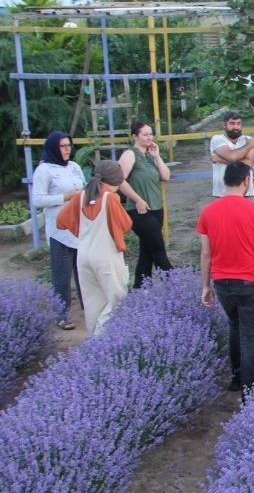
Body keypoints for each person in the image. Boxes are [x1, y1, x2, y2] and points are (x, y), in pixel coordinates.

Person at [198, 161, 254, 401]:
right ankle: (249, 391)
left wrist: (205, 286)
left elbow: (205, 253)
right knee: (249, 335)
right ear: (246, 180)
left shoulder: (208, 211)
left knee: (235, 325)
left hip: (222, 283)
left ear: (225, 181)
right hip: (249, 283)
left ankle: (236, 378)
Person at [55, 160, 133, 335]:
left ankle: (92, 341)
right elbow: (126, 225)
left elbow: (60, 221)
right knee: (117, 300)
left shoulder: (81, 196)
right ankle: (101, 336)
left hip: (84, 255)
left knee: (93, 303)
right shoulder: (110, 198)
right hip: (106, 256)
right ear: (115, 181)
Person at [31, 131, 86, 330]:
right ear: (54, 147)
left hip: (79, 226)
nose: (66, 149)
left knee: (83, 271)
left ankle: (88, 307)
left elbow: (83, 187)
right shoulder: (44, 170)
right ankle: (62, 314)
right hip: (59, 230)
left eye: (68, 145)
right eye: (62, 146)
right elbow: (37, 199)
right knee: (61, 275)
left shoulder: (74, 167)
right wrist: (64, 197)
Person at [118, 121, 173, 289]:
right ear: (135, 136)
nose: (149, 137)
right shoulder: (130, 154)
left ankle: (140, 290)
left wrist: (156, 156)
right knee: (158, 250)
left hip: (156, 208)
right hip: (139, 211)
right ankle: (176, 286)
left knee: (146, 253)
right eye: (145, 134)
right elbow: (119, 180)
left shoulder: (150, 155)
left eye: (151, 134)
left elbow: (166, 176)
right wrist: (138, 199)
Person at [209, 111, 254, 197]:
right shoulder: (217, 139)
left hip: (246, 192)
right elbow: (232, 157)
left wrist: (219, 159)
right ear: (224, 125)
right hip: (222, 193)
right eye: (232, 123)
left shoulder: (247, 139)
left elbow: (248, 164)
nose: (236, 127)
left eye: (238, 124)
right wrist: (249, 145)